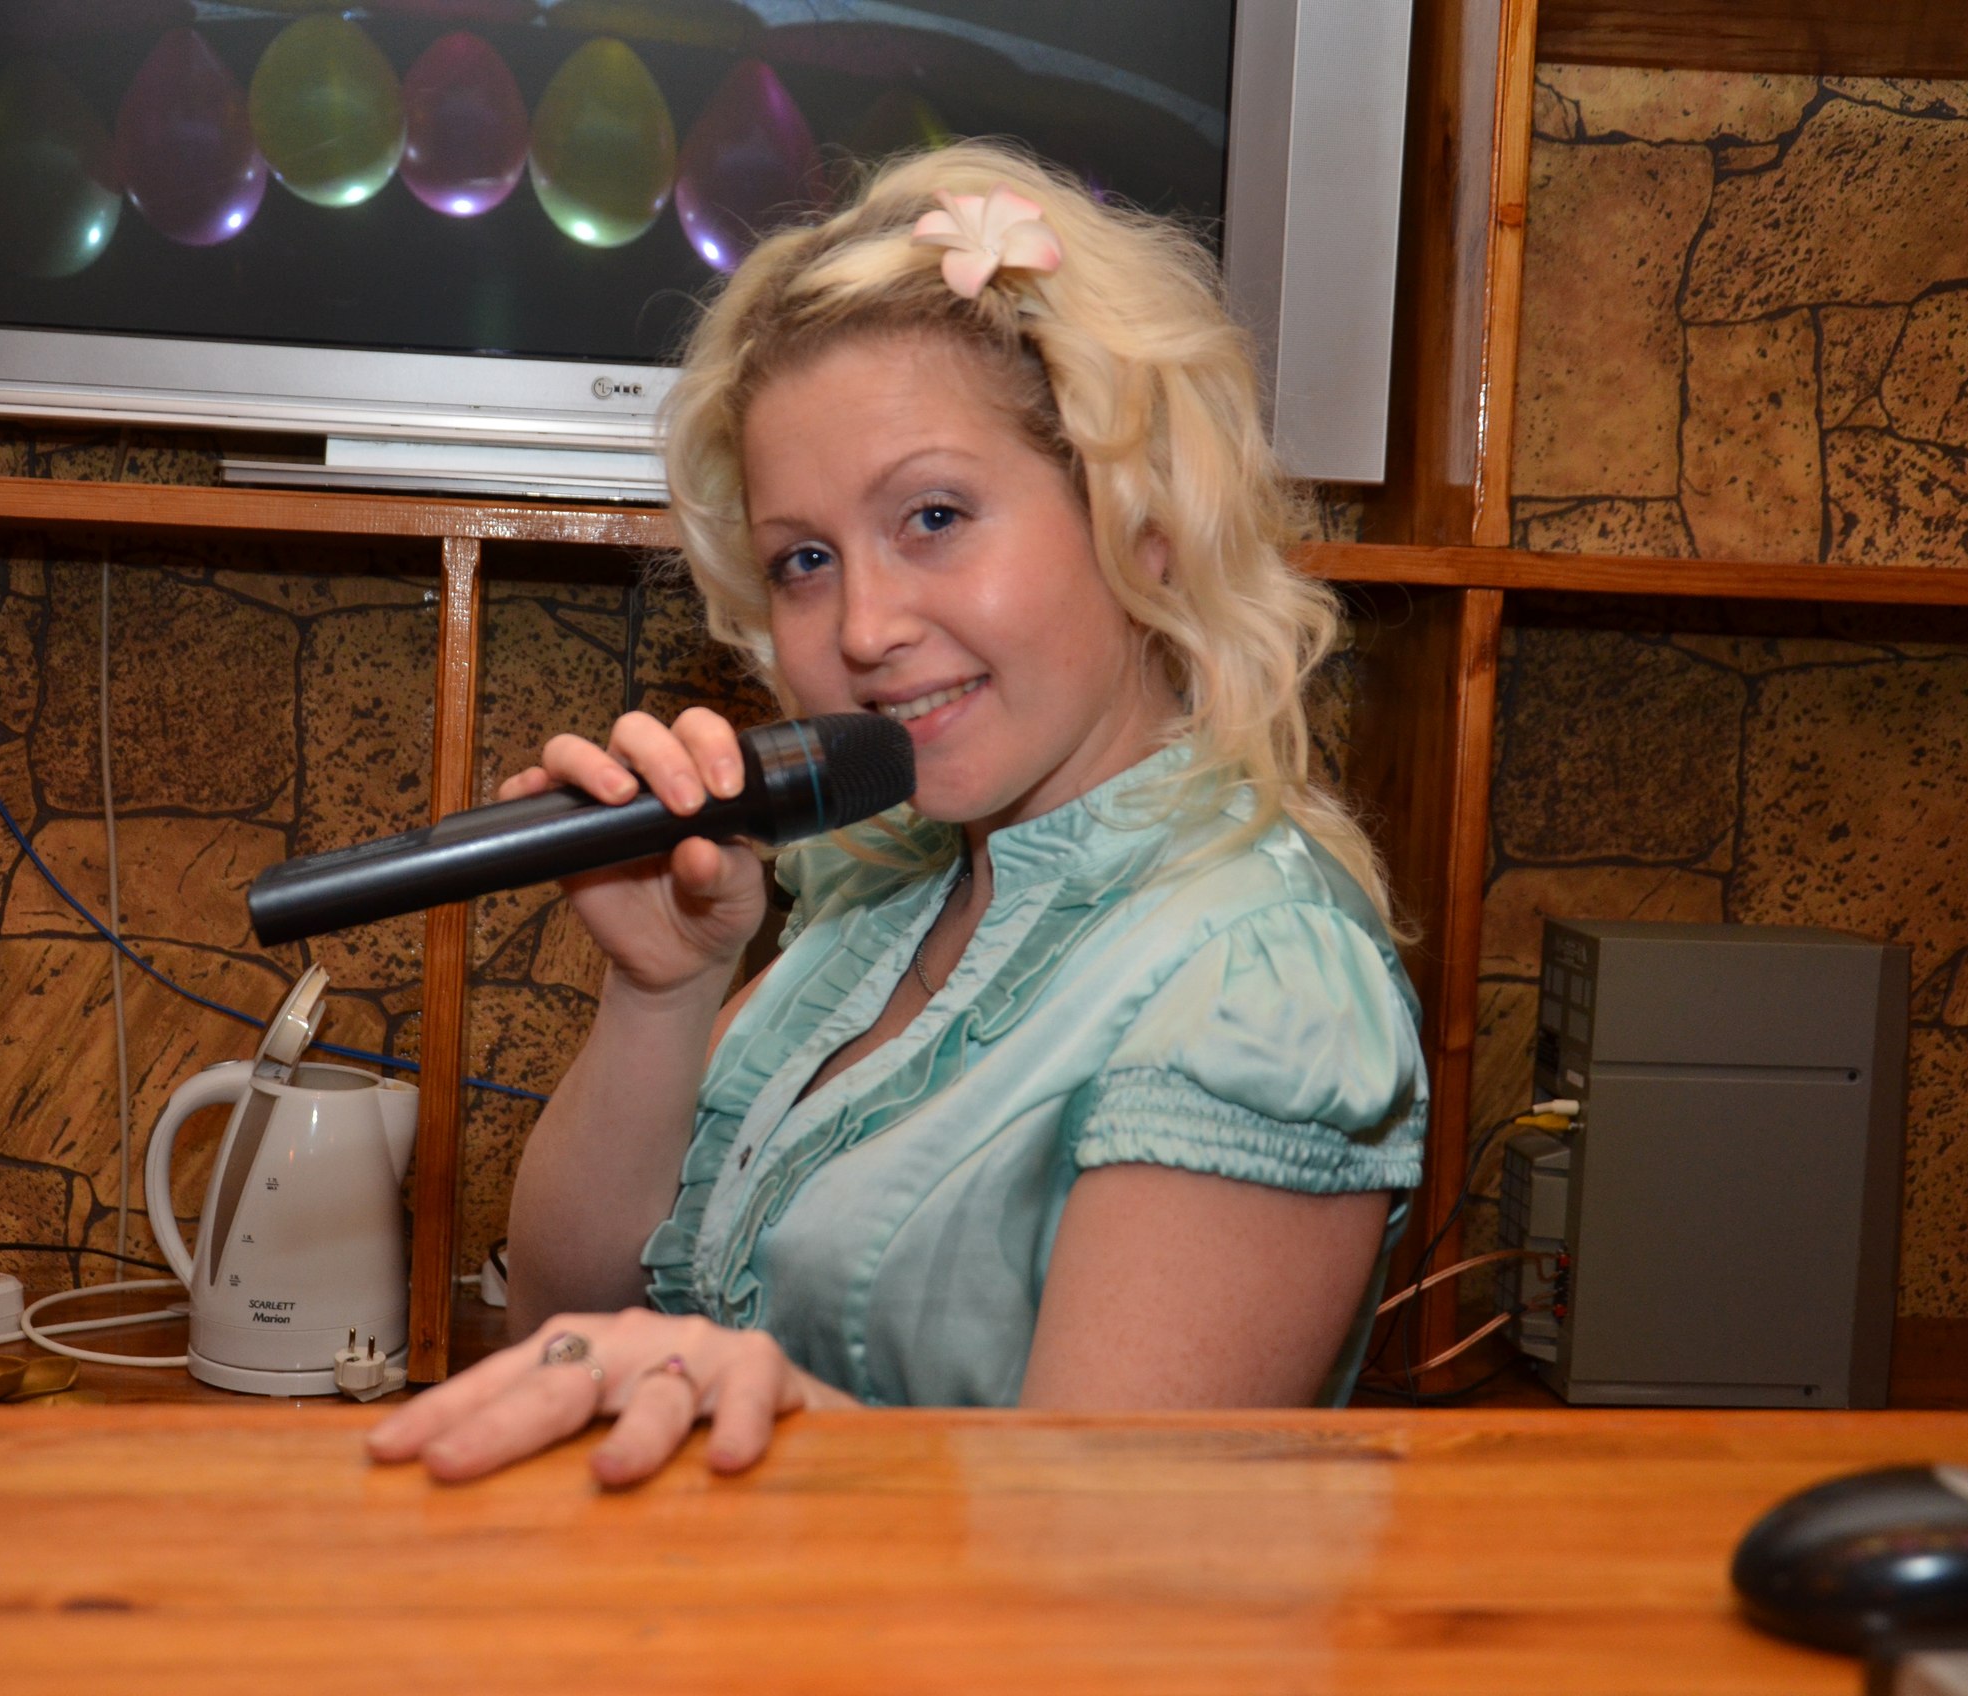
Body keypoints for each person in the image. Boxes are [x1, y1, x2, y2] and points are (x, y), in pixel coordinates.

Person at [368, 141, 1426, 1486]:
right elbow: (564, 1339)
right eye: (804, 560)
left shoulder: (1257, 984)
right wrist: (662, 991)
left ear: (1142, 515)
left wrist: (803, 1428)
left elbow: (1103, 1555)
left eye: (933, 515)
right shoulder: (876, 900)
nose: (863, 629)